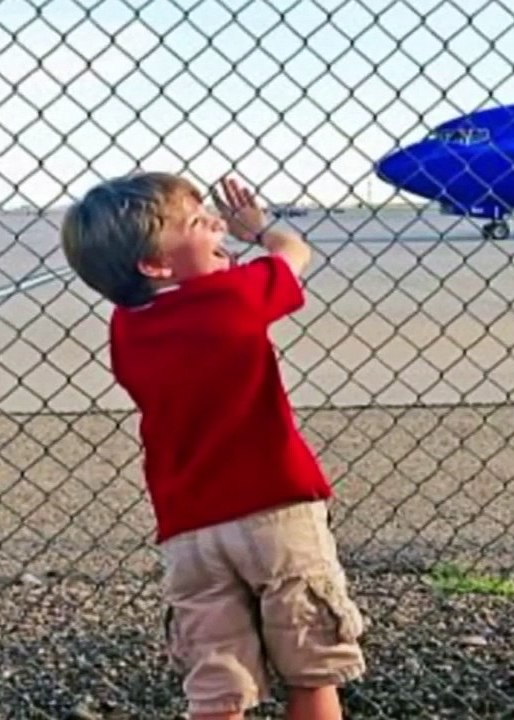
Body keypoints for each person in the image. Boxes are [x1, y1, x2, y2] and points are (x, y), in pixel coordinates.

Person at [60, 172, 368, 720]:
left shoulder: (125, 329)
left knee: (217, 685)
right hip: (276, 509)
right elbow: (294, 251)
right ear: (154, 265)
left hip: (189, 529)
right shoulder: (233, 297)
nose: (219, 223)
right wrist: (260, 229)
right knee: (312, 670)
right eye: (201, 223)